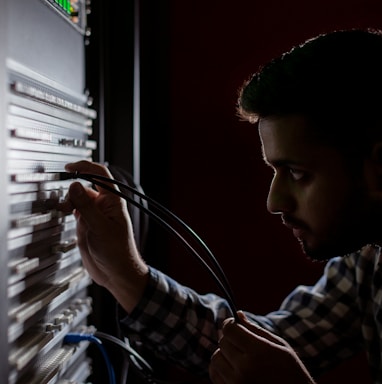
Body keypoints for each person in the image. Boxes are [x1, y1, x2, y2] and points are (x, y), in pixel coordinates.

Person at [58, 28, 382, 383]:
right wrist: (126, 275)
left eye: (299, 173)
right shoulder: (369, 258)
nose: (274, 202)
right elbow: (262, 346)